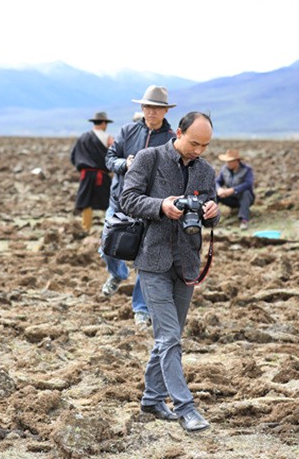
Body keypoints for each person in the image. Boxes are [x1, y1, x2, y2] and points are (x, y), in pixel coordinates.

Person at [120, 111, 220, 432]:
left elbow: (211, 211)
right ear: (178, 133)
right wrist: (161, 206)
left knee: (169, 337)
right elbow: (127, 199)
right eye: (194, 143)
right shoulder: (149, 159)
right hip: (153, 260)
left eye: (205, 145)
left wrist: (212, 212)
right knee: (168, 336)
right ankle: (185, 407)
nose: (199, 151)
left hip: (187, 263)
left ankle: (152, 399)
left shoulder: (205, 170)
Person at [100, 85, 177, 328]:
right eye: (147, 107)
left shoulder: (171, 140)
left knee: (145, 260)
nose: (151, 111)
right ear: (142, 108)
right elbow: (109, 159)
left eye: (156, 108)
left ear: (165, 110)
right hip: (119, 201)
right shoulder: (127, 131)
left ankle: (141, 309)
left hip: (149, 207)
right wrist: (125, 164)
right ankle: (118, 273)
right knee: (107, 247)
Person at [70, 112, 114, 231]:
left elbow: (73, 156)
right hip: (101, 174)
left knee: (86, 200)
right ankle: (110, 227)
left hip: (85, 174)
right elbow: (114, 154)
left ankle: (86, 227)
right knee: (109, 200)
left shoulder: (82, 137)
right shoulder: (108, 137)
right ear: (104, 123)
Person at [215, 149, 255, 230]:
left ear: (237, 161)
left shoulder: (247, 170)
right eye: (227, 161)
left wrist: (233, 190)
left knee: (245, 193)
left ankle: (244, 221)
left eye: (230, 161)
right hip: (231, 198)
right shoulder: (224, 169)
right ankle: (209, 218)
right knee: (214, 194)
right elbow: (217, 181)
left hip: (245, 199)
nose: (228, 163)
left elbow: (248, 183)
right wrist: (219, 189)